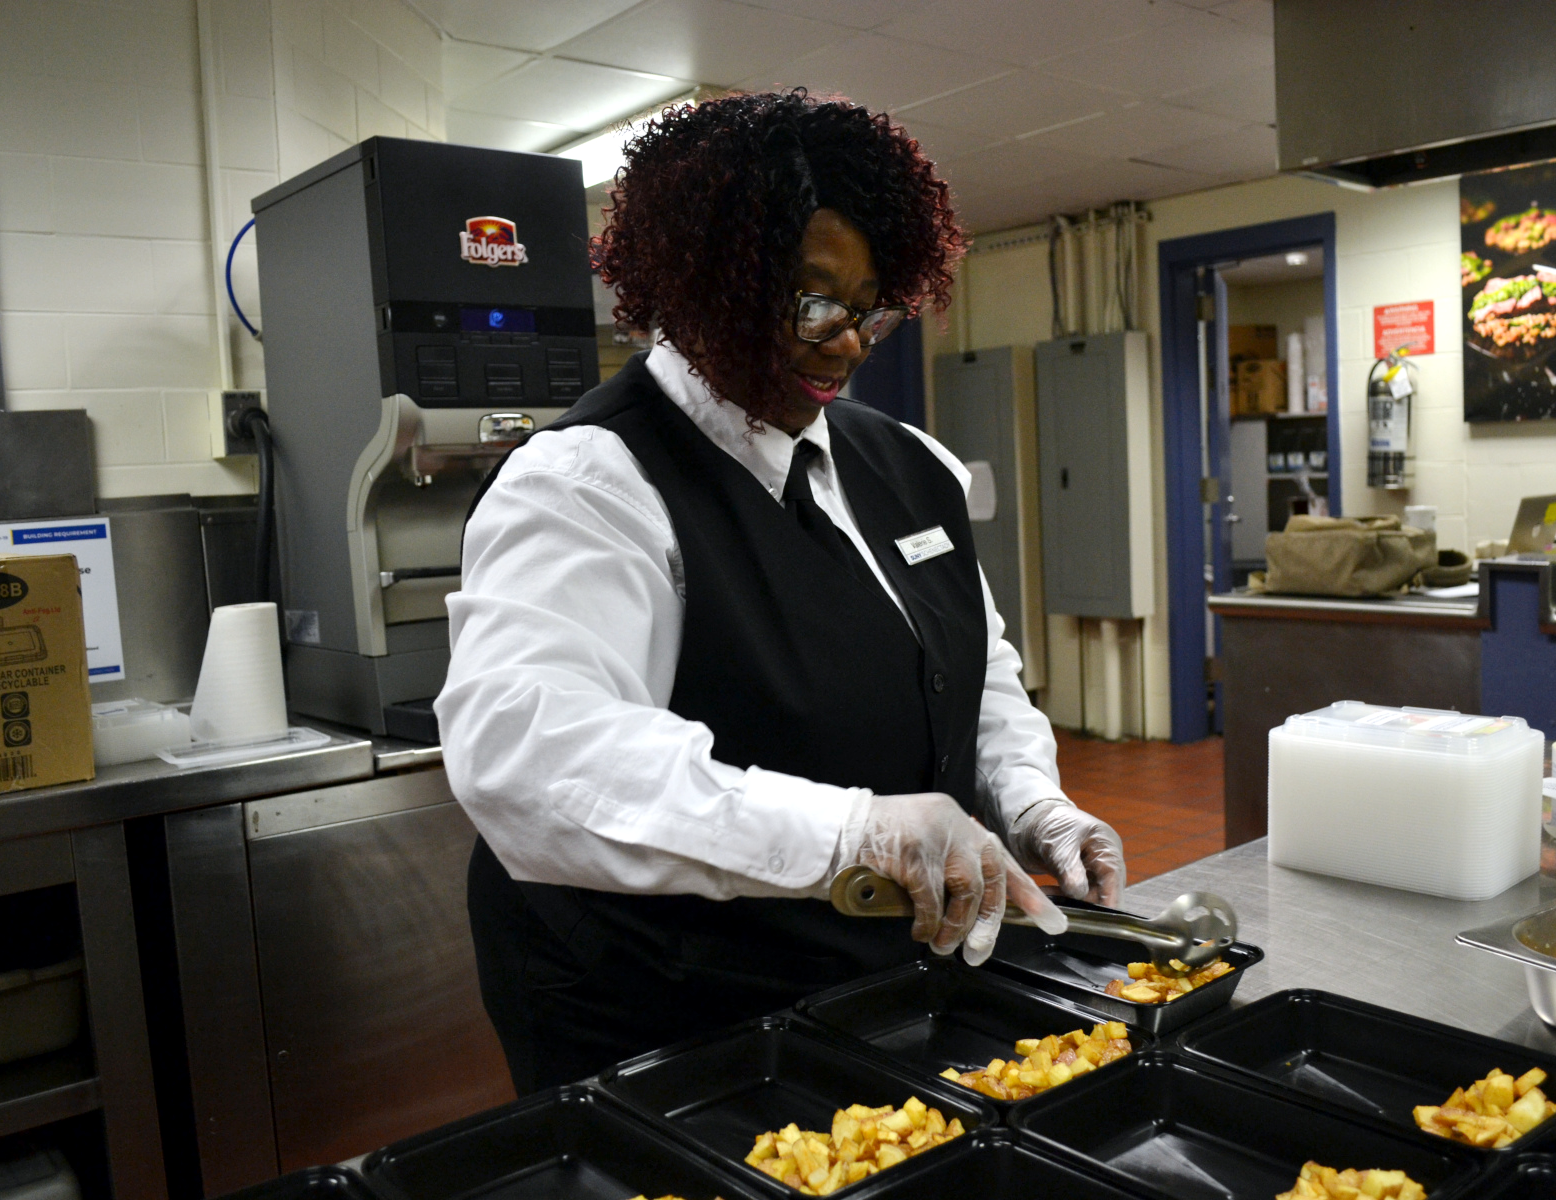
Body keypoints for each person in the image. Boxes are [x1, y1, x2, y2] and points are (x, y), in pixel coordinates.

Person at [437, 90, 1125, 1095]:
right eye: (810, 302)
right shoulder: (591, 481)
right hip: (665, 1020)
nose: (845, 342)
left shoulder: (911, 467)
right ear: (703, 282)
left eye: (871, 311)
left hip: (874, 992)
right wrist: (852, 832)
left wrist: (1033, 803)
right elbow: (528, 753)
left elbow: (974, 678)